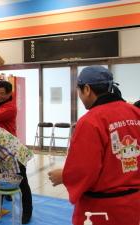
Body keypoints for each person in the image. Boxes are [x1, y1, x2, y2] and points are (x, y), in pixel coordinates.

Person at [48, 66, 140, 225]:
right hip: (133, 203)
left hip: (102, 208)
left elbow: (84, 169)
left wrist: (63, 176)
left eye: (79, 90)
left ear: (87, 89)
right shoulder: (135, 112)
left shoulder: (91, 121)